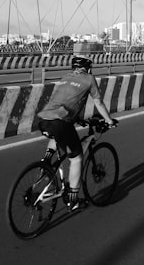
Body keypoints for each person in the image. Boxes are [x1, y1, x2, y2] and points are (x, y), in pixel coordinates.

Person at [36, 54, 117, 211]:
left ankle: (46, 162)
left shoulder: (66, 77)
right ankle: (73, 201)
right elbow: (98, 102)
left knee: (57, 133)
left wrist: (77, 118)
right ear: (87, 68)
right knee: (77, 158)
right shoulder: (89, 79)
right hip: (61, 123)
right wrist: (109, 120)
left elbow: (68, 100)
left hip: (44, 119)